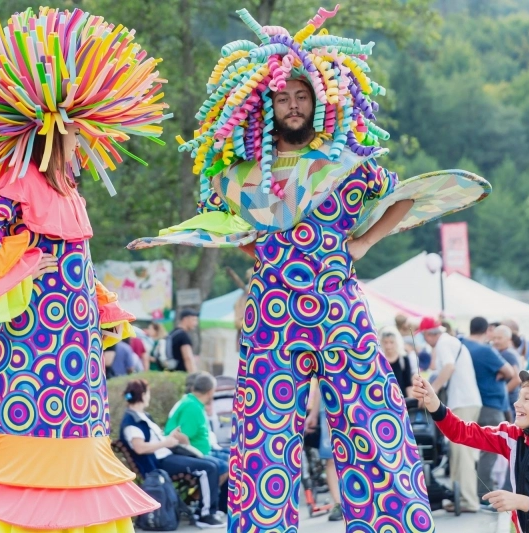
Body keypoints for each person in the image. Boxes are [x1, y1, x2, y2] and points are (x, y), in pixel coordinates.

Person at [127, 8, 492, 530]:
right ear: (266, 104)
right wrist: (258, 252)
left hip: (340, 308)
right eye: (283, 97)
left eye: (302, 96)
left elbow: (406, 198)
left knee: (372, 422)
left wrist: (364, 242)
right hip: (271, 317)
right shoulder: (241, 176)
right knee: (263, 436)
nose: (293, 106)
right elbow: (228, 229)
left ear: (319, 101)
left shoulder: (349, 163)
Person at [0, 8, 171, 531]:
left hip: (77, 350)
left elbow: (75, 266)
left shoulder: (73, 195)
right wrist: (24, 269)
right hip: (34, 343)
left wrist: (100, 303)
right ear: (51, 132)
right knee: (38, 447)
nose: (84, 144)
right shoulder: (14, 188)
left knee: (81, 438)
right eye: (77, 133)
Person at [412, 366, 529, 532]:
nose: (517, 404)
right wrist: (434, 404)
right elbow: (462, 432)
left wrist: (521, 501)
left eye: (527, 399)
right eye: (519, 397)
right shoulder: (513, 436)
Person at [120, 379, 225, 528]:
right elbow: (139, 448)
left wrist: (170, 439)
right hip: (159, 464)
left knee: (212, 464)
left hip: (166, 457)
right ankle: (205, 514)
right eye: (148, 393)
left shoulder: (141, 416)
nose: (149, 397)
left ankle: (205, 511)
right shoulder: (132, 420)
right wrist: (166, 443)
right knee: (209, 468)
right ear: (143, 395)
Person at [418, 316, 483, 513]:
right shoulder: (450, 341)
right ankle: (459, 498)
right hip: (465, 401)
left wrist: (432, 391)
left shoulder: (444, 343)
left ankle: (468, 501)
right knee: (457, 453)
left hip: (462, 402)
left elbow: (449, 367)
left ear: (429, 334)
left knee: (463, 454)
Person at [463, 317, 515, 506]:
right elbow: (509, 372)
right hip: (490, 404)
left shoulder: (463, 345)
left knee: (474, 450)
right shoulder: (485, 350)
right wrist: (500, 373)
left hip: (472, 402)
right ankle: (482, 492)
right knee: (491, 449)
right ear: (487, 331)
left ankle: (474, 489)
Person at [165, 372, 229, 483]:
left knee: (234, 459)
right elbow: (180, 435)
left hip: (205, 450)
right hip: (196, 454)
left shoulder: (193, 402)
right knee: (227, 467)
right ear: (210, 392)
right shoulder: (192, 407)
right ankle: (204, 498)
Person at [305, 379, 344, 522]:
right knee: (331, 457)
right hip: (328, 406)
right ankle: (338, 503)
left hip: (354, 402)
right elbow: (322, 382)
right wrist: (314, 414)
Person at [492, 325, 522, 421]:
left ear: (508, 339)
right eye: (494, 338)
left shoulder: (508, 354)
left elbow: (517, 379)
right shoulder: (506, 352)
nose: (496, 341)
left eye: (499, 338)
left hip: (509, 401)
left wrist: (502, 392)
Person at [380, 325, 414, 397]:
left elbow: (408, 383)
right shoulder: (379, 359)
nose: (388, 346)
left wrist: (410, 401)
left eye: (391, 342)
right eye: (386, 342)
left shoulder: (403, 359)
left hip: (401, 398)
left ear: (397, 342)